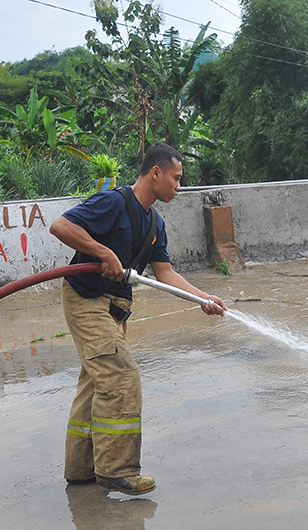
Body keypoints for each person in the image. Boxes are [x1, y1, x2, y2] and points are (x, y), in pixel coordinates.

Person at [49, 142, 227, 497]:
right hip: (87, 299)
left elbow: (165, 272)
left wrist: (202, 298)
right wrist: (102, 252)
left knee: (95, 381)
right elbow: (60, 225)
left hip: (116, 308)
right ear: (156, 173)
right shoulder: (113, 202)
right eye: (176, 178)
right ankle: (118, 469)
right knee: (120, 374)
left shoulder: (155, 223)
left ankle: (81, 468)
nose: (179, 186)